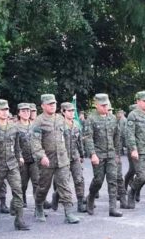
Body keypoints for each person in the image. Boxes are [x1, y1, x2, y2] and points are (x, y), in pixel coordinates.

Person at [31, 94, 80, 224]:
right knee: (43, 187)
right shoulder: (39, 121)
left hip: (63, 159)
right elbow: (35, 141)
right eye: (49, 104)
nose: (52, 106)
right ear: (42, 106)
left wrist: (71, 155)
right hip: (47, 160)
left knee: (64, 185)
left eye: (54, 103)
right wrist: (41, 155)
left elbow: (68, 138)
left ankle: (68, 213)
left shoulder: (60, 119)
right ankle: (39, 207)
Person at [0, 100, 30, 231]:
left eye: (6, 109)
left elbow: (16, 146)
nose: (5, 112)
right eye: (2, 110)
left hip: (12, 164)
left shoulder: (13, 127)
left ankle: (19, 220)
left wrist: (19, 157)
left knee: (18, 190)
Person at [83, 94, 122, 217]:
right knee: (98, 181)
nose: (105, 107)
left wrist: (117, 154)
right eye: (103, 105)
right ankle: (90, 198)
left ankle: (112, 208)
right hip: (98, 155)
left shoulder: (112, 119)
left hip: (110, 154)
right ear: (96, 105)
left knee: (112, 180)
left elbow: (117, 137)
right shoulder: (91, 119)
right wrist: (92, 154)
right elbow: (88, 138)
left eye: (107, 105)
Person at [61, 102, 86, 213]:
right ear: (63, 112)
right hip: (63, 157)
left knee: (79, 179)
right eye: (69, 111)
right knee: (64, 181)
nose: (72, 113)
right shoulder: (59, 125)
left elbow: (79, 141)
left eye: (72, 111)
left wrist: (82, 154)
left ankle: (80, 203)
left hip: (75, 156)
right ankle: (58, 197)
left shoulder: (76, 124)